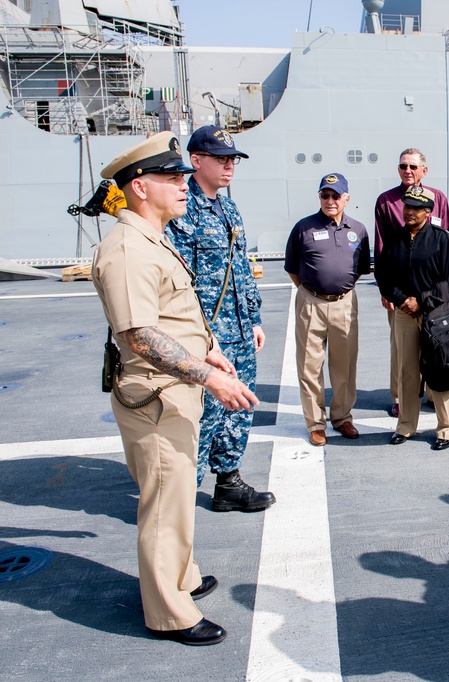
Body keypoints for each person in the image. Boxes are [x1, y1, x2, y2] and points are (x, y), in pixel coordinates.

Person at [91, 132, 259, 645]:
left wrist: (208, 346)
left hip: (174, 390)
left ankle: (182, 577)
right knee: (164, 505)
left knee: (180, 494)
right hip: (155, 396)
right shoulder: (126, 249)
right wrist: (210, 376)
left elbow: (173, 309)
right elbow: (139, 333)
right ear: (139, 188)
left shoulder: (153, 237)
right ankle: (169, 613)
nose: (183, 185)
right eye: (171, 178)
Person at [165, 125, 274, 513]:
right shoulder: (180, 209)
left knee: (238, 408)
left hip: (239, 330)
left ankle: (228, 482)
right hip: (204, 336)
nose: (230, 166)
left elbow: (240, 267)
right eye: (221, 159)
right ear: (196, 161)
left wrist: (254, 318)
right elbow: (175, 280)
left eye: (233, 160)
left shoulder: (229, 208)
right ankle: (178, 495)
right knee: (201, 413)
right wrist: (197, 337)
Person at [284, 173, 370, 447]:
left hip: (345, 302)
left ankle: (342, 417)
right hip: (311, 301)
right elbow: (293, 270)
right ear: (319, 197)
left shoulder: (358, 229)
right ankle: (315, 423)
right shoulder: (303, 228)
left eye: (336, 195)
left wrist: (339, 288)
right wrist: (315, 291)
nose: (330, 200)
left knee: (345, 365)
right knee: (310, 366)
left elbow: (359, 270)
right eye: (325, 195)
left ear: (347, 198)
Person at [375, 186, 449, 450]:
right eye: (407, 206)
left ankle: (447, 429)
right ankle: (406, 426)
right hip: (403, 313)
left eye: (416, 208)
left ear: (427, 211)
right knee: (407, 371)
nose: (410, 212)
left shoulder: (441, 238)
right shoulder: (394, 239)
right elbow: (384, 276)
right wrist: (403, 300)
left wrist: (420, 301)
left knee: (442, 368)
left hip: (435, 313)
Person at [374, 148, 449, 417]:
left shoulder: (439, 198)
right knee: (402, 349)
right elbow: (381, 246)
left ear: (424, 170)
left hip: (433, 295)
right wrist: (389, 292)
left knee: (437, 344)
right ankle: (400, 397)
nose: (408, 171)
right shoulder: (386, 201)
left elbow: (446, 240)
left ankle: (433, 392)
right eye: (403, 166)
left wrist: (435, 295)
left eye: (413, 167)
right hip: (400, 294)